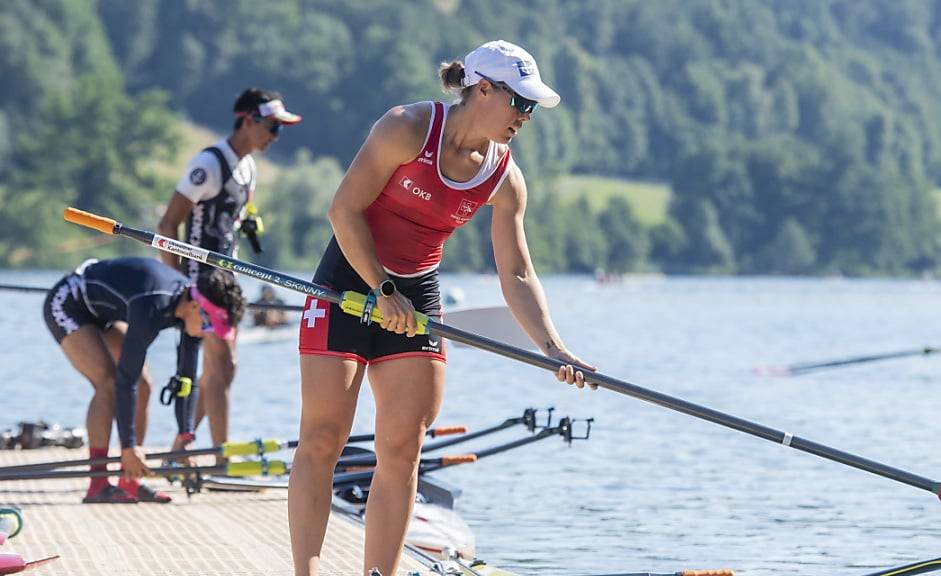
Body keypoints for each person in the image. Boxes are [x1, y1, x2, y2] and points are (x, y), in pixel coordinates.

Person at [289, 40, 595, 576]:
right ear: (482, 89)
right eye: (520, 103)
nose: (526, 116)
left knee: (403, 448)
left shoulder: (505, 178)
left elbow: (517, 273)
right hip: (348, 283)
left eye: (531, 107)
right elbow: (343, 209)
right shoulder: (406, 127)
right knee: (322, 437)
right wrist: (384, 291)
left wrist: (554, 347)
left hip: (417, 298)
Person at [157, 87, 301, 456]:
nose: (275, 137)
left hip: (226, 282)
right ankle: (219, 459)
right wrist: (177, 285)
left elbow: (235, 220)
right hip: (198, 278)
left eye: (279, 130)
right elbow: (167, 225)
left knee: (225, 371)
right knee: (221, 367)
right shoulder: (208, 164)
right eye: (272, 128)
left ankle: (179, 448)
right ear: (248, 121)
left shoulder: (249, 167)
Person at [42, 257, 245, 503]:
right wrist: (128, 446)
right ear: (195, 306)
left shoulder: (190, 311)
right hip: (69, 302)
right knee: (108, 382)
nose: (207, 332)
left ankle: (129, 480)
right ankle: (98, 484)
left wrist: (185, 437)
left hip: (103, 310)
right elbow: (124, 381)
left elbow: (186, 381)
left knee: (144, 385)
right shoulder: (152, 307)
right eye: (208, 325)